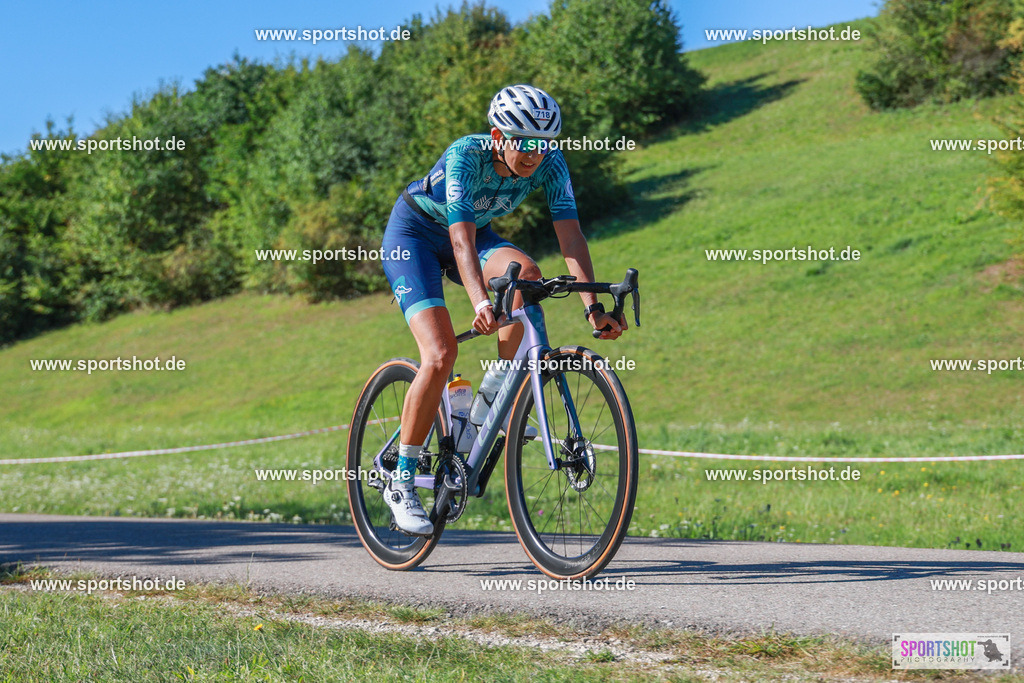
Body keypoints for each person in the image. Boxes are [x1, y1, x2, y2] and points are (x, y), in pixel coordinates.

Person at [380, 84, 627, 535]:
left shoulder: (550, 164)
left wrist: (593, 308)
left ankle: (486, 408)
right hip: (416, 237)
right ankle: (402, 482)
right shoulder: (465, 156)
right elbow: (461, 241)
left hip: (476, 237)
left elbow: (570, 237)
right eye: (525, 142)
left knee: (526, 275)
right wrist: (478, 301)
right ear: (498, 137)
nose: (536, 154)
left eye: (545, 143)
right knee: (439, 355)